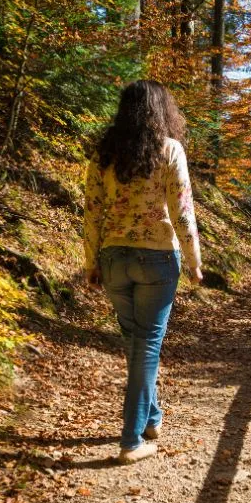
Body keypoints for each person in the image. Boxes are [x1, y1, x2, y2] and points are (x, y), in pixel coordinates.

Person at [83, 80, 203, 465]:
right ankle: (132, 440)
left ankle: (151, 419)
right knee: (147, 345)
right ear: (161, 112)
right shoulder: (169, 150)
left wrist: (90, 261)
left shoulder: (104, 155)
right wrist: (195, 259)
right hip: (156, 259)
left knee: (136, 344)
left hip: (114, 259)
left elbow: (92, 211)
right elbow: (182, 209)